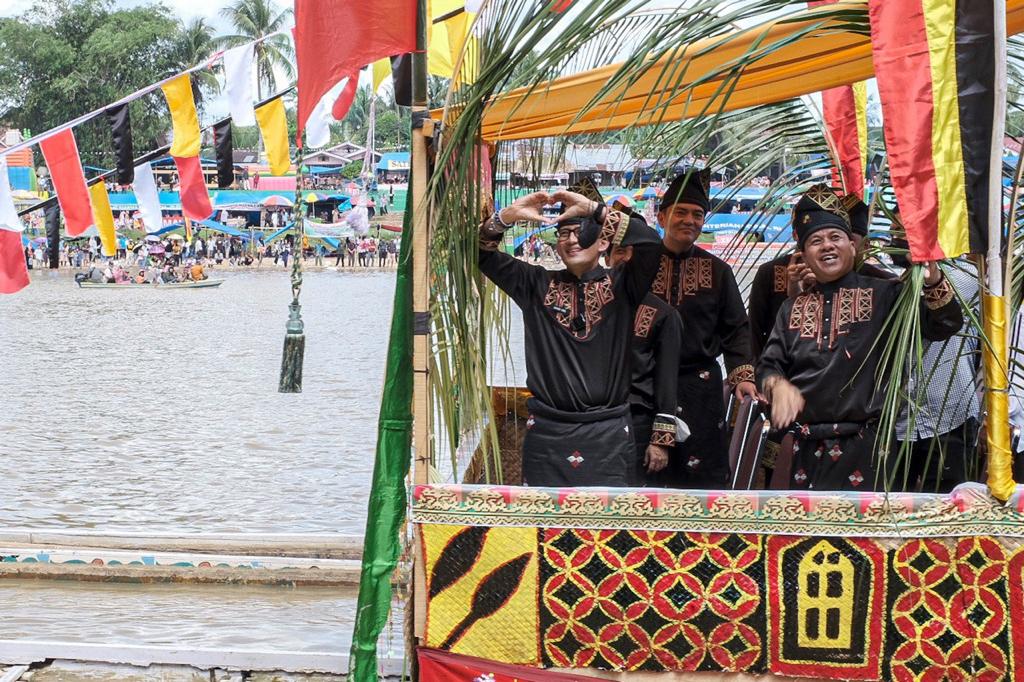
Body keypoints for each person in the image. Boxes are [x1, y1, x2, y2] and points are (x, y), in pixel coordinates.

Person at [756, 185, 963, 491]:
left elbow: (945, 324)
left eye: (835, 238)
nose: (827, 246)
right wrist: (777, 385)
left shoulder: (885, 294)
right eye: (816, 241)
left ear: (852, 247)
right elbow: (768, 364)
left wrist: (932, 277)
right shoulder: (792, 308)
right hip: (807, 452)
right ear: (803, 254)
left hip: (869, 451)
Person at [479, 190, 663, 487]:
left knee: (607, 530)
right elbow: (480, 253)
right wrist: (506, 217)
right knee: (543, 529)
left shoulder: (623, 286)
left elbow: (652, 243)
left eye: (582, 232)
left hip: (608, 434)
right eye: (563, 234)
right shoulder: (535, 285)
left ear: (604, 241)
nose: (572, 240)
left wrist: (595, 210)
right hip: (548, 434)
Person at [648, 171, 756, 487]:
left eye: (697, 215)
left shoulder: (719, 271)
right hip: (646, 388)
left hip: (701, 389)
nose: (689, 221)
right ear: (662, 215)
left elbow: (736, 328)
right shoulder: (638, 267)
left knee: (701, 481)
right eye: (681, 212)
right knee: (646, 479)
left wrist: (743, 376)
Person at [891, 244, 981, 492]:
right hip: (898, 420)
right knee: (894, 509)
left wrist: (931, 278)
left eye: (905, 229)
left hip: (949, 417)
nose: (896, 237)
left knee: (949, 510)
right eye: (895, 228)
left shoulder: (964, 275)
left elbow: (935, 314)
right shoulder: (893, 280)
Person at [607, 243, 683, 486]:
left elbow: (667, 380)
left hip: (636, 422)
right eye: (618, 251)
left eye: (635, 252)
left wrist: (660, 440)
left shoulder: (663, 314)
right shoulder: (593, 305)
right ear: (606, 255)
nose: (626, 258)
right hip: (593, 423)